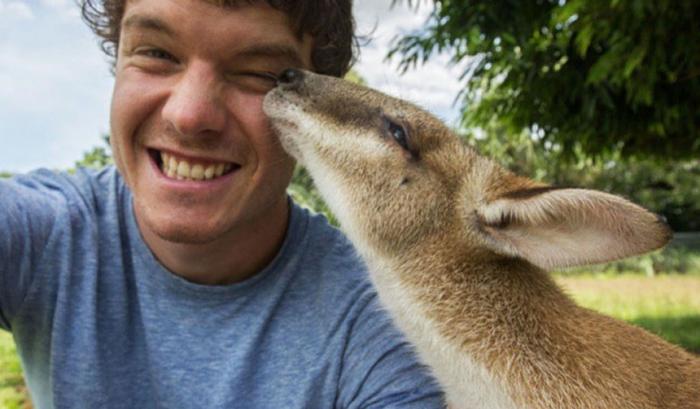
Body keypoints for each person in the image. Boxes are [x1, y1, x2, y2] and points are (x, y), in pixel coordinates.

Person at [0, 0, 445, 408]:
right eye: (156, 53)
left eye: (261, 74)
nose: (189, 116)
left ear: (317, 117)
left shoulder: (382, 325)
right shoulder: (46, 232)